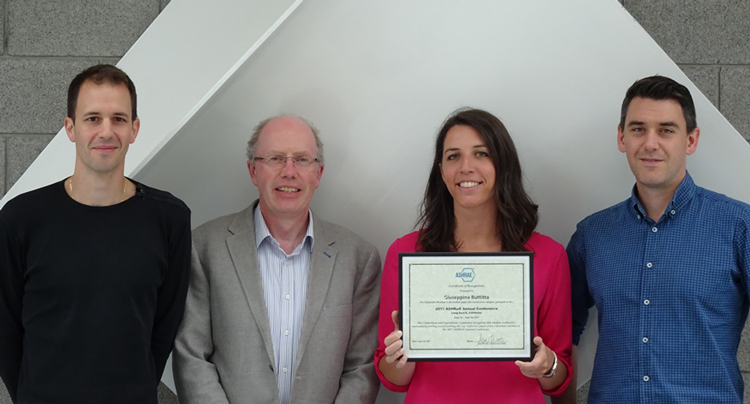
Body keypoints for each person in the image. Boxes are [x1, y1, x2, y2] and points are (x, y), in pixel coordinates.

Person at [0, 64, 192, 404]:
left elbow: (164, 326)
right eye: (93, 119)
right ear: (70, 128)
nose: (106, 131)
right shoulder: (21, 219)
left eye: (118, 119)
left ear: (134, 129)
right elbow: (5, 328)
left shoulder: (169, 219)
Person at [566, 75, 750, 403]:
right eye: (638, 129)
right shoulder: (591, 236)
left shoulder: (739, 227)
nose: (650, 143)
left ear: (691, 140)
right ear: (622, 137)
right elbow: (562, 331)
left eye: (666, 130)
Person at [172, 115, 382, 404]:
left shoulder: (358, 257)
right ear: (253, 170)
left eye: (302, 160)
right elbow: (191, 355)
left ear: (318, 173)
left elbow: (363, 367)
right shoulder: (204, 247)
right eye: (275, 158)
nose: (289, 171)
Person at [375, 108, 572, 403]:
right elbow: (393, 381)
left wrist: (547, 365)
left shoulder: (548, 256)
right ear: (441, 170)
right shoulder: (406, 254)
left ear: (502, 164)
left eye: (481, 154)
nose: (466, 167)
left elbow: (557, 380)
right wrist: (400, 356)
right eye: (453, 156)